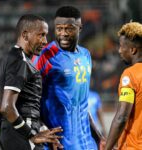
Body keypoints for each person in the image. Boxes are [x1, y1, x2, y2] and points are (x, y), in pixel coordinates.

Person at [32, 6, 101, 150]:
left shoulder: (85, 55)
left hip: (87, 143)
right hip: (60, 144)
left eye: (69, 29)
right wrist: (41, 128)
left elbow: (82, 103)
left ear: (80, 28)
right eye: (59, 28)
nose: (63, 34)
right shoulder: (45, 55)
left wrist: (99, 138)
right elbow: (27, 99)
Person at [0, 14, 63, 150]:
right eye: (41, 35)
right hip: (21, 136)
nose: (45, 41)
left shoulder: (13, 58)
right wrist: (31, 135)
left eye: (46, 35)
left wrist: (43, 130)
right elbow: (6, 107)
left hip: (15, 134)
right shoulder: (20, 61)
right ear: (25, 35)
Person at [104, 22, 142, 150]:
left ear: (132, 50)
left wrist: (107, 148)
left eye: (121, 46)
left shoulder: (130, 75)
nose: (119, 51)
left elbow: (122, 117)